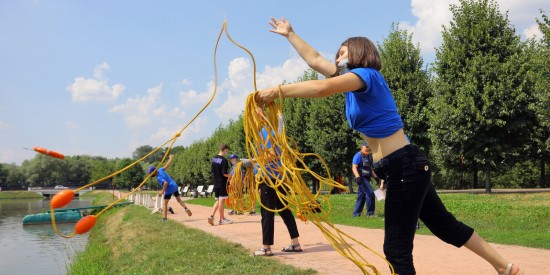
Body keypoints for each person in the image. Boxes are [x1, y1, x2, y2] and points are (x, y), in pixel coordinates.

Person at [255, 17, 521, 275]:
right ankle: (505, 268)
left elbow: (321, 88)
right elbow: (315, 60)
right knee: (445, 226)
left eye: (342, 53)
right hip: (406, 165)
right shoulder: (353, 84)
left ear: (359, 53)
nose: (336, 58)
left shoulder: (366, 76)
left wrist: (276, 90)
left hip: (404, 166)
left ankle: (503, 267)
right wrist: (290, 34)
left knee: (396, 250)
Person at [251, 108, 302, 257]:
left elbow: (272, 155)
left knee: (267, 213)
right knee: (285, 211)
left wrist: (252, 161)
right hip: (279, 177)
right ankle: (295, 243)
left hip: (269, 178)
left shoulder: (265, 133)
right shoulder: (271, 132)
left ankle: (266, 248)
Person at [148, 154, 192, 221]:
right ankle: (186, 208)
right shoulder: (160, 170)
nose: (150, 174)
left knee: (165, 203)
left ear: (154, 172)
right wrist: (170, 158)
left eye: (150, 173)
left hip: (169, 189)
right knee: (179, 200)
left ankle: (164, 219)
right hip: (174, 186)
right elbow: (167, 165)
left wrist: (162, 191)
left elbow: (165, 183)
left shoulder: (158, 177)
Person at [209, 144, 233, 225]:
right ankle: (221, 219)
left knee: (218, 200)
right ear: (224, 149)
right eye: (227, 151)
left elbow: (212, 171)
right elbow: (224, 173)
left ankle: (211, 216)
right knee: (221, 201)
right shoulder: (224, 160)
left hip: (216, 182)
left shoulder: (214, 159)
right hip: (222, 183)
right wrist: (230, 176)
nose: (227, 152)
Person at [352, 141, 375, 217]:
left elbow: (370, 169)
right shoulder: (358, 156)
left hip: (366, 177)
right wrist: (358, 177)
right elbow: (354, 167)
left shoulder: (368, 156)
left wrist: (376, 177)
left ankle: (356, 214)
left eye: (369, 147)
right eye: (366, 147)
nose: (368, 149)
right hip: (361, 178)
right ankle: (370, 214)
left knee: (361, 196)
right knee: (370, 193)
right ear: (362, 147)